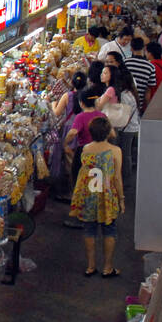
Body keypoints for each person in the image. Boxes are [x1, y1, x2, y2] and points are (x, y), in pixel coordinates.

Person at [69, 117, 124, 277]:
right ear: (107, 132)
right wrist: (121, 199)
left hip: (89, 194)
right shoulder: (115, 151)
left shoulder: (86, 149)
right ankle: (107, 267)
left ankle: (91, 266)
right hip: (107, 196)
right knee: (109, 230)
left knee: (89, 230)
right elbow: (117, 178)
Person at [63, 87, 107, 225]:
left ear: (81, 103)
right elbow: (111, 134)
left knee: (79, 183)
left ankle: (81, 217)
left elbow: (73, 132)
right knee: (96, 184)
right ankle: (96, 214)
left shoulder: (81, 117)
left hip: (84, 153)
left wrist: (65, 143)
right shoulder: (102, 115)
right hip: (100, 153)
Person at [51, 71, 90, 200]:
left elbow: (57, 113)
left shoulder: (67, 96)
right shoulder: (88, 96)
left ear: (71, 83)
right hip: (84, 131)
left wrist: (52, 104)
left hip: (70, 131)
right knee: (81, 162)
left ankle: (74, 192)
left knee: (70, 164)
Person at [125, 38, 157, 112]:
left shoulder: (125, 63)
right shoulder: (150, 67)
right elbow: (148, 91)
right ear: (144, 48)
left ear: (131, 49)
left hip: (125, 102)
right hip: (139, 105)